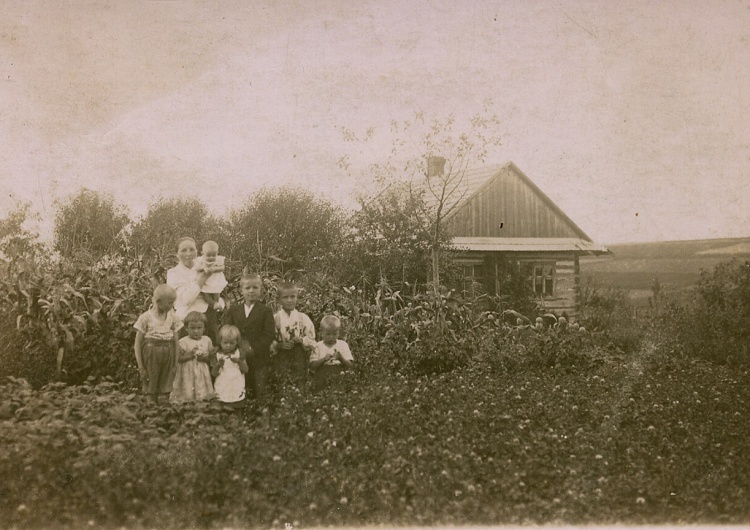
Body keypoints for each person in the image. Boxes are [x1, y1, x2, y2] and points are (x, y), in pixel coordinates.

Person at [222, 273, 275, 400]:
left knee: (260, 389)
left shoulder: (265, 311)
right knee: (240, 388)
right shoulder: (234, 310)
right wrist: (237, 347)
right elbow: (227, 331)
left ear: (261, 290)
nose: (251, 291)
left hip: (258, 357)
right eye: (247, 288)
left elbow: (269, 335)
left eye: (255, 288)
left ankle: (260, 415)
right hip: (238, 357)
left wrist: (252, 349)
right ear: (241, 290)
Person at [133, 284, 182, 404]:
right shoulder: (145, 318)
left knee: (165, 387)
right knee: (151, 385)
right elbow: (137, 344)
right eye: (170, 303)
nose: (172, 306)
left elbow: (176, 342)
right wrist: (141, 366)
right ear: (159, 302)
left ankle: (164, 411)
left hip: (168, 354)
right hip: (151, 354)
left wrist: (175, 364)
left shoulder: (173, 318)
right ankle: (151, 410)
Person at [166, 237, 217, 343]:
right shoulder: (173, 273)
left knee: (208, 353)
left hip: (207, 318)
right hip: (185, 321)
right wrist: (202, 279)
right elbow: (185, 300)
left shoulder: (205, 267)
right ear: (177, 254)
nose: (188, 254)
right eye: (183, 250)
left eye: (192, 249)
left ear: (197, 252)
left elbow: (217, 290)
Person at [272, 282, 316, 384]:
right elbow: (269, 339)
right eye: (285, 297)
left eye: (293, 296)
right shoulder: (275, 319)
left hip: (299, 355)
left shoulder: (302, 318)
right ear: (278, 300)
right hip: (281, 356)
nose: (289, 300)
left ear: (297, 298)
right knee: (283, 381)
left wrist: (301, 340)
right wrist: (279, 345)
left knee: (300, 380)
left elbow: (312, 339)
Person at [171, 311, 215, 403]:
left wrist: (204, 358)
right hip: (188, 372)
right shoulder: (183, 342)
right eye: (192, 328)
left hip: (202, 372)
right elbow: (178, 358)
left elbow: (211, 358)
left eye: (199, 328)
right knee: (188, 392)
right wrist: (189, 355)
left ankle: (202, 408)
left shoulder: (207, 340)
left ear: (204, 328)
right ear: (186, 328)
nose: (196, 331)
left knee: (203, 392)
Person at [309, 315, 354, 391]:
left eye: (334, 334)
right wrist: (324, 359)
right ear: (321, 333)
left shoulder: (342, 344)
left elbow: (350, 365)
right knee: (322, 393)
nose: (331, 337)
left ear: (338, 333)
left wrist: (341, 358)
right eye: (328, 334)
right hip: (322, 375)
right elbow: (312, 365)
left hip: (339, 373)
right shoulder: (318, 346)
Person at [212, 325, 249, 408]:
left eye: (231, 343)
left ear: (237, 342)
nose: (228, 345)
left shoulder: (240, 353)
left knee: (237, 407)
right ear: (220, 341)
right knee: (222, 408)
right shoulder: (217, 354)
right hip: (222, 385)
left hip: (236, 385)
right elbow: (213, 374)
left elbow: (246, 370)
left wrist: (239, 361)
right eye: (225, 342)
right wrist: (218, 365)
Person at [193, 240, 228, 310]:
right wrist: (203, 268)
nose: (211, 257)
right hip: (206, 281)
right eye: (208, 255)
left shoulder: (218, 259)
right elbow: (196, 268)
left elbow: (222, 268)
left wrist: (215, 269)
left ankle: (217, 302)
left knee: (217, 292)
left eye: (214, 255)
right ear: (202, 253)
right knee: (205, 293)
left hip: (216, 279)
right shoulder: (200, 260)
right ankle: (213, 304)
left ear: (217, 253)